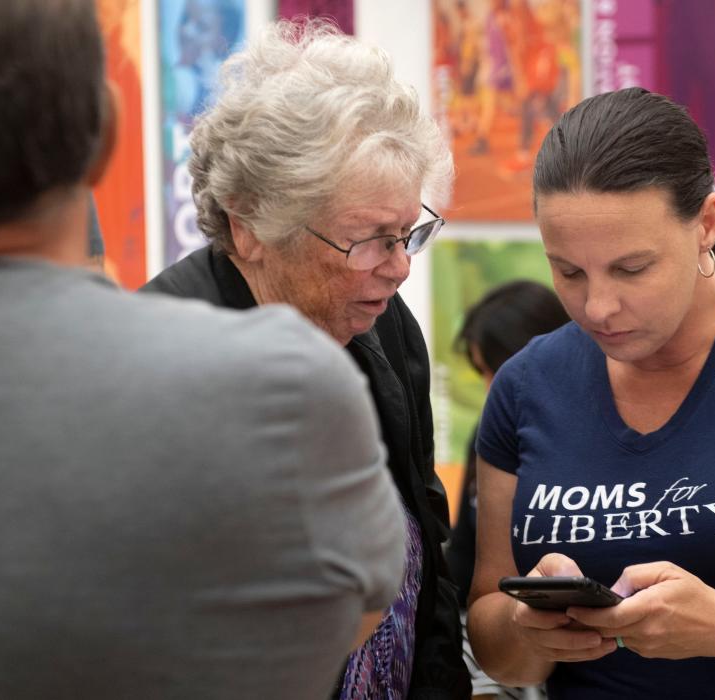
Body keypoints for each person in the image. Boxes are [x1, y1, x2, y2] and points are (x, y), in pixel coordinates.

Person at [0, 2, 407, 698]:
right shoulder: (285, 388)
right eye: (369, 235)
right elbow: (355, 616)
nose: (396, 267)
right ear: (105, 138)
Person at [467, 87, 715, 698]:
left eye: (632, 268)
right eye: (568, 271)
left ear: (706, 225)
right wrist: (525, 629)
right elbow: (496, 643)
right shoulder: (526, 386)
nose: (599, 306)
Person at [141, 19, 472, 699]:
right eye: (370, 240)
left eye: (409, 232)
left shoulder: (385, 329)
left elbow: (427, 556)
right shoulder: (159, 356)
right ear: (249, 225)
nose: (401, 267)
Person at [447, 280, 569, 700]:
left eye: (492, 369)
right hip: (493, 633)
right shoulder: (490, 431)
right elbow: (465, 558)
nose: (490, 387)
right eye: (481, 372)